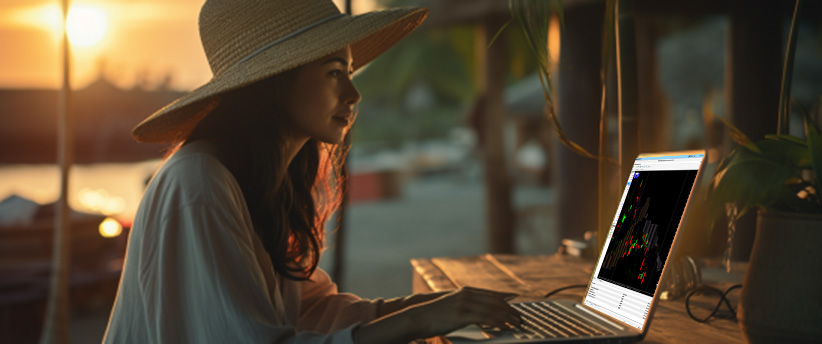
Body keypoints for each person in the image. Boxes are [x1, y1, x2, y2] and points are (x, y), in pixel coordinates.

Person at [103, 0, 522, 343]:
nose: (353, 94)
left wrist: (433, 308)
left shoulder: (262, 180)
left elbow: (311, 310)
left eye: (350, 73)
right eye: (335, 73)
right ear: (275, 83)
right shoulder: (199, 184)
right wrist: (417, 323)